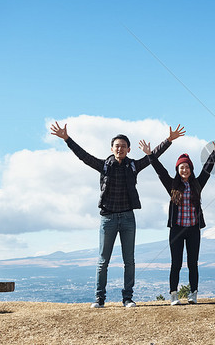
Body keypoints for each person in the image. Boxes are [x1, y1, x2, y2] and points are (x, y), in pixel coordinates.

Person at [50, 121, 185, 308]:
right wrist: (67, 139)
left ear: (128, 149)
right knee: (103, 261)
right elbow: (84, 156)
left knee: (129, 260)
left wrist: (169, 140)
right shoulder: (104, 166)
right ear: (112, 148)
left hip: (128, 218)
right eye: (117, 146)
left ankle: (127, 298)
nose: (120, 149)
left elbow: (152, 157)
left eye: (123, 146)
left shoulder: (133, 166)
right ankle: (100, 299)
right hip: (108, 218)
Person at [139, 138, 215, 306]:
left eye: (187, 167)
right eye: (182, 167)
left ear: (191, 169)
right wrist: (150, 155)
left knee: (193, 263)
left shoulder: (197, 184)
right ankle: (174, 294)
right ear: (177, 169)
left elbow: (207, 170)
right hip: (176, 229)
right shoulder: (172, 184)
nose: (185, 169)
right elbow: (161, 171)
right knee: (175, 263)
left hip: (193, 229)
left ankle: (193, 293)